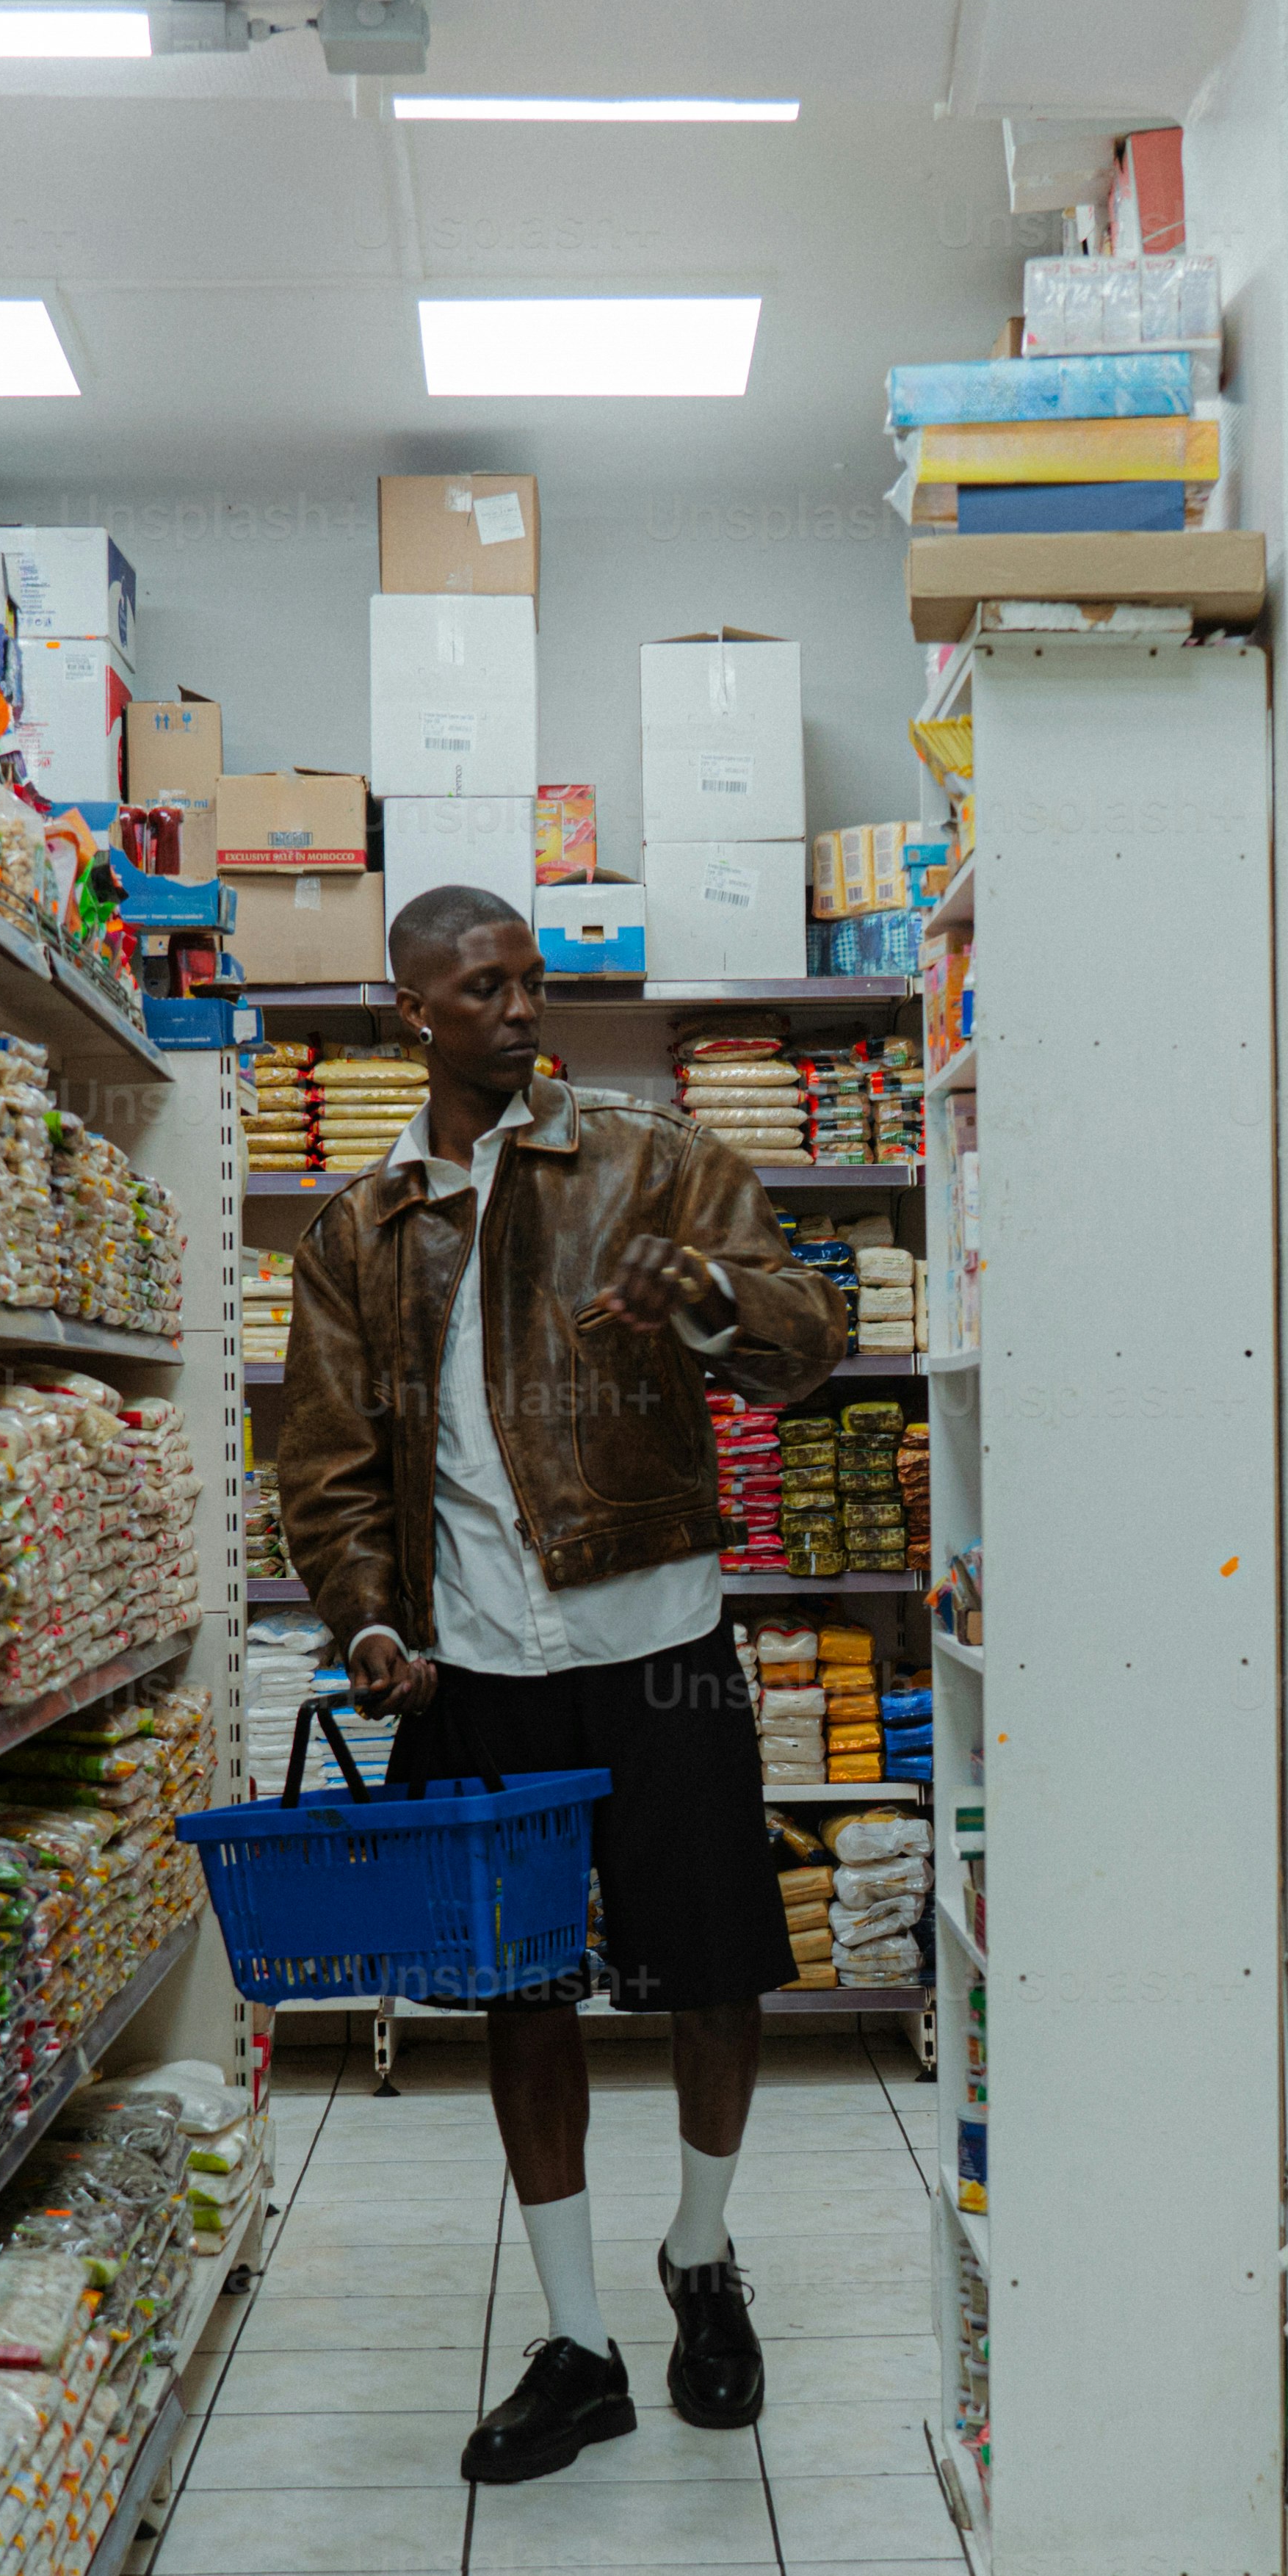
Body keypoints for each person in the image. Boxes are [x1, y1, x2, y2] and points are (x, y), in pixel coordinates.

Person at [270, 884, 850, 2481]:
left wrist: (709, 1295)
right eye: (482, 989)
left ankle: (704, 2257)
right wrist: (371, 1624)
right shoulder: (359, 1226)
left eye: (533, 984)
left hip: (653, 1640)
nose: (520, 1011)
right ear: (414, 1012)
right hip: (475, 1674)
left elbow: (808, 1338)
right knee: (519, 1997)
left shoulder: (648, 1159)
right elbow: (327, 1466)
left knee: (716, 1967)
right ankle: (581, 2340)